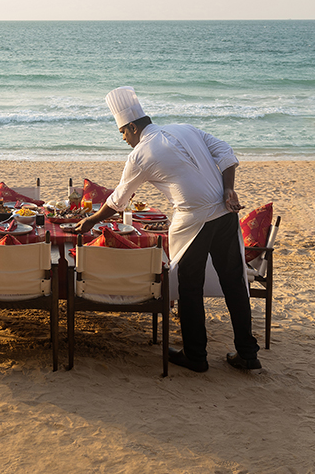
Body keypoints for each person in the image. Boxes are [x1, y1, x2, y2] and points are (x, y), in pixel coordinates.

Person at [75, 86, 261, 373]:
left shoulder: (139, 155)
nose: (124, 140)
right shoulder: (185, 128)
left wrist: (92, 220)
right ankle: (248, 354)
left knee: (189, 287)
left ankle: (196, 356)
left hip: (194, 221)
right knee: (234, 282)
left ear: (133, 127)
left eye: (123, 133)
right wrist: (228, 189)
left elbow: (120, 199)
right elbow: (225, 151)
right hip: (225, 214)